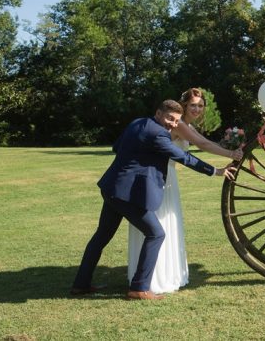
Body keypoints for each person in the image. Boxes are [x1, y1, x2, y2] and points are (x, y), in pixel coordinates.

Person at [71, 99, 233, 301]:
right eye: (169, 118)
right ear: (158, 113)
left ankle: (80, 284)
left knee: (101, 236)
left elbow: (117, 147)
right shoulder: (158, 134)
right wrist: (215, 171)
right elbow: (184, 157)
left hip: (112, 187)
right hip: (125, 194)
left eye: (176, 121)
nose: (173, 124)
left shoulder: (137, 122)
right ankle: (139, 288)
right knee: (156, 233)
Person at [127, 88, 244, 294]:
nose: (197, 109)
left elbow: (204, 141)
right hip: (160, 178)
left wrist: (228, 148)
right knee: (160, 224)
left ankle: (158, 274)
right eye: (193, 105)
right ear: (185, 105)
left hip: (168, 177)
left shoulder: (185, 125)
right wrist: (231, 153)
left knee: (166, 225)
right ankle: (154, 278)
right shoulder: (179, 124)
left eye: (200, 105)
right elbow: (202, 144)